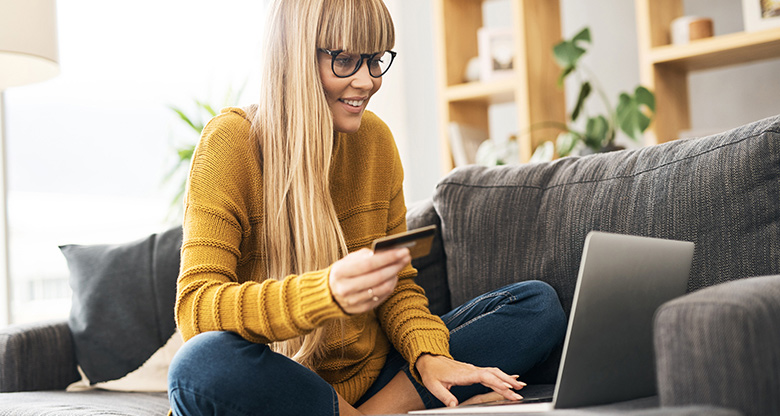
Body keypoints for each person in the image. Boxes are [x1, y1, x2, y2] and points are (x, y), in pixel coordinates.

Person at [167, 0, 567, 414]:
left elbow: (399, 283)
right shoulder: (230, 144)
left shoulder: (376, 142)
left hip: (375, 377)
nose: (367, 80)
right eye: (345, 60)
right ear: (295, 56)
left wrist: (430, 357)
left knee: (536, 306)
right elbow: (196, 308)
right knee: (199, 365)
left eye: (375, 60)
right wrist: (325, 293)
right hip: (282, 381)